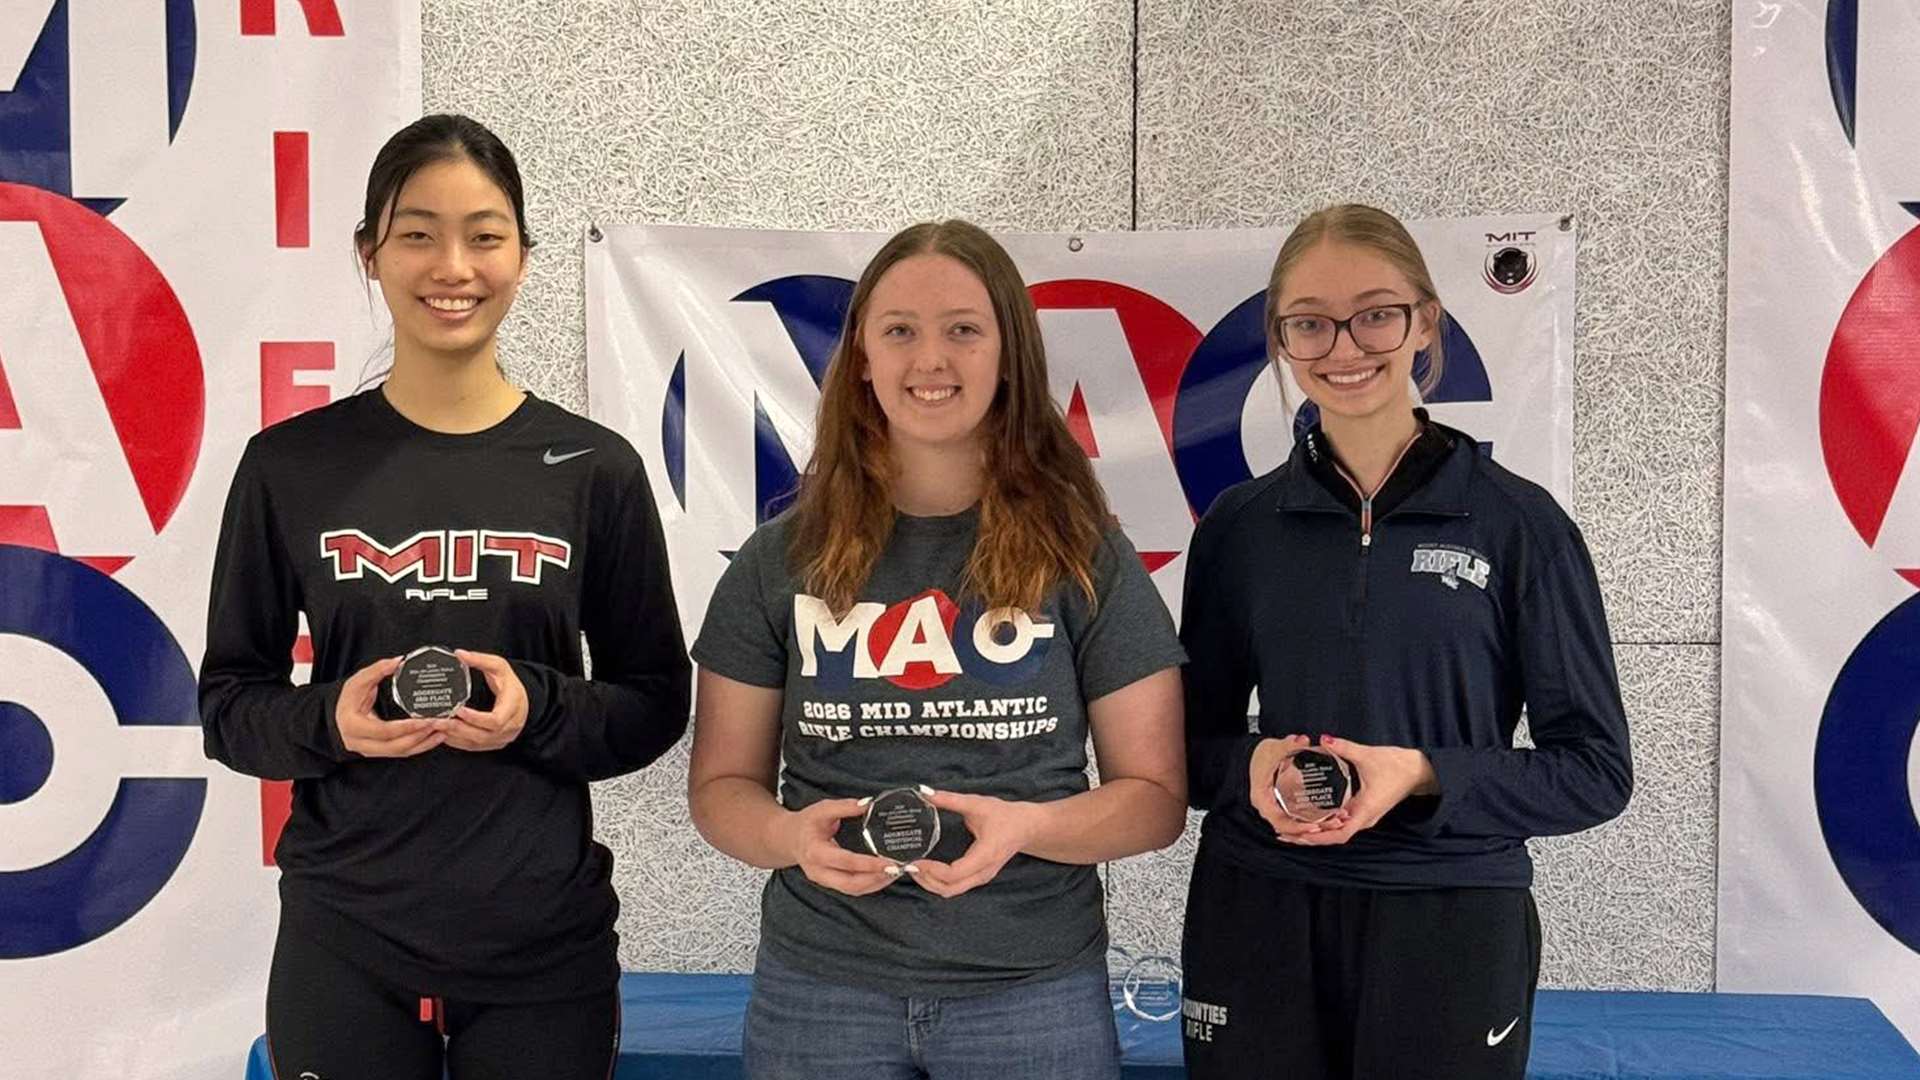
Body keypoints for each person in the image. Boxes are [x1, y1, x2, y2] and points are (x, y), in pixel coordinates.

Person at [198, 113, 691, 1080]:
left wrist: (535, 708)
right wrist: (331, 722)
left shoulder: (594, 468)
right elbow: (228, 707)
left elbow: (655, 703)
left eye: (484, 235)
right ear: (370, 254)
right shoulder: (290, 466)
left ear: (523, 257)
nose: (452, 267)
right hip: (345, 934)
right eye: (418, 234)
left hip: (541, 942)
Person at [687, 219, 1187, 1079]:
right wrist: (790, 837)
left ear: (1009, 353)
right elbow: (720, 789)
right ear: (861, 357)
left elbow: (1155, 801)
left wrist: (1029, 827)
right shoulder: (778, 560)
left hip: (1033, 990)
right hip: (822, 991)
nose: (931, 359)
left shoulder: (1085, 556)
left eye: (963, 329)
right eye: (899, 331)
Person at [1178, 203, 1632, 1080]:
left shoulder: (1519, 524)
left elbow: (1595, 772)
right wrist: (1253, 765)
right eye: (1311, 322)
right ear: (1280, 339)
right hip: (1259, 912)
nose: (1344, 347)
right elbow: (1184, 754)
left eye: (1376, 314)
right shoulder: (1239, 527)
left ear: (1426, 321)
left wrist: (1422, 774)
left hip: (1449, 916)